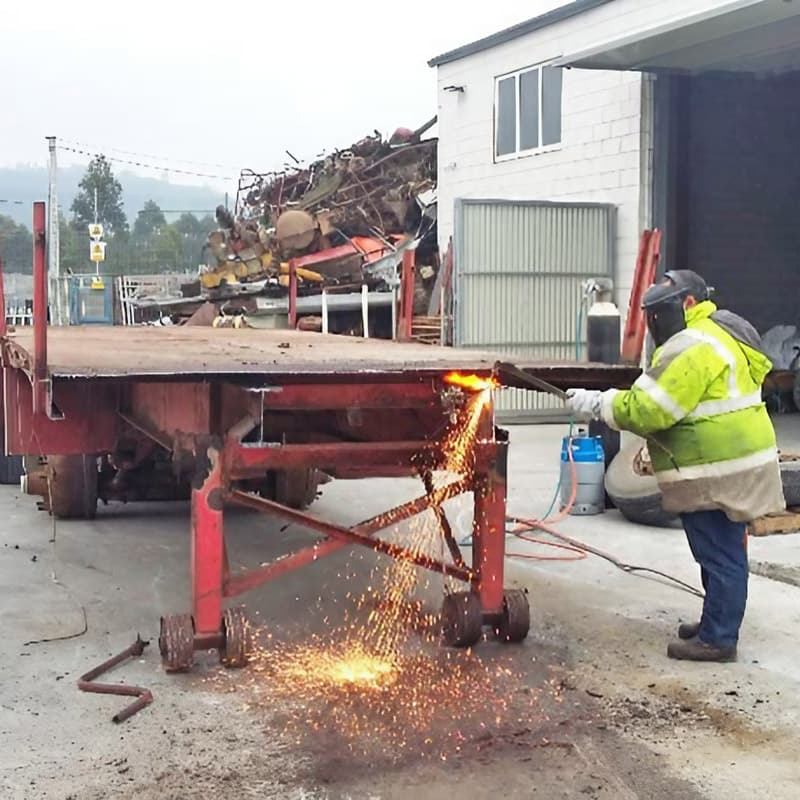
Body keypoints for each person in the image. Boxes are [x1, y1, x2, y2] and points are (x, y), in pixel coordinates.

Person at [566, 277, 784, 663]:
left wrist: (598, 404)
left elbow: (650, 410)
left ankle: (718, 639)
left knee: (720, 553)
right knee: (716, 549)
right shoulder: (718, 329)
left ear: (687, 302)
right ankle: (715, 621)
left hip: (718, 467)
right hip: (733, 460)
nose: (655, 323)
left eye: (660, 313)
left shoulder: (692, 345)